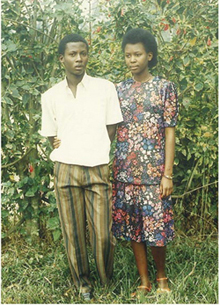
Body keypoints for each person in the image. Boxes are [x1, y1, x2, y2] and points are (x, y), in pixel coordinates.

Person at [40, 33, 123, 300]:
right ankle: (83, 283)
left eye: (83, 53)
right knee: (73, 232)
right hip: (65, 169)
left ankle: (106, 279)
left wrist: (94, 146)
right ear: (61, 59)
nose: (79, 59)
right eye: (73, 54)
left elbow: (112, 126)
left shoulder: (104, 88)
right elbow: (52, 134)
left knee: (102, 234)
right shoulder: (50, 95)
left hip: (97, 167)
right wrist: (68, 145)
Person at [112, 28, 179, 296]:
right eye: (128, 55)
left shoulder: (165, 88)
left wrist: (168, 174)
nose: (132, 59)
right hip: (126, 172)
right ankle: (143, 280)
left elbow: (170, 132)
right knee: (133, 227)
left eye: (137, 54)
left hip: (154, 173)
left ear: (149, 55)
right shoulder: (118, 90)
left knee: (156, 227)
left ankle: (161, 277)